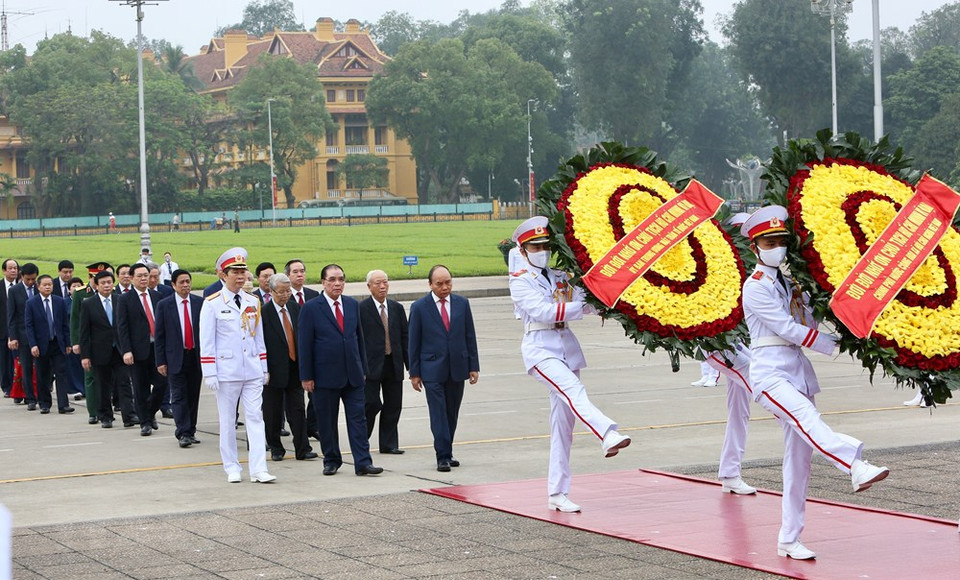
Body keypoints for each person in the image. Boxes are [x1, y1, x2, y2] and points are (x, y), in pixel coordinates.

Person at [740, 205, 890, 560]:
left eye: (781, 240)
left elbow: (812, 314)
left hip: (797, 372)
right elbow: (788, 329)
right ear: (755, 247)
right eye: (770, 241)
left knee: (798, 463)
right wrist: (833, 345)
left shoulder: (792, 283)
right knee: (808, 420)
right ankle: (854, 465)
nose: (777, 246)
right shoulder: (755, 287)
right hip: (770, 374)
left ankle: (789, 538)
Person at [508, 217, 631, 512]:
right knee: (573, 390)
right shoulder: (520, 281)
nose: (542, 250)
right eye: (534, 246)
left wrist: (605, 297)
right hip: (540, 349)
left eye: (545, 245)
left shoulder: (560, 276)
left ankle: (557, 493)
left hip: (565, 348)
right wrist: (582, 306)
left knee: (563, 426)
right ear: (522, 251)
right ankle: (607, 433)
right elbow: (543, 311)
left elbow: (584, 301)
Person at [298, 263, 383, 476]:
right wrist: (306, 376)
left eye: (341, 279)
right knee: (327, 421)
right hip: (324, 377)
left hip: (353, 375)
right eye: (332, 280)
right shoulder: (311, 308)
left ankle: (363, 462)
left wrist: (362, 367)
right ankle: (331, 459)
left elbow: (359, 338)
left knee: (358, 420)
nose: (337, 284)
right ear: (323, 283)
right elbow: (304, 345)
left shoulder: (352, 305)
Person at [199, 247, 275, 484]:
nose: (241, 276)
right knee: (228, 420)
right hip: (227, 371)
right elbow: (207, 341)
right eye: (235, 271)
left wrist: (263, 366)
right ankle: (231, 466)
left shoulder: (253, 300)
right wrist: (210, 372)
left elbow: (258, 336)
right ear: (223, 274)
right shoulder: (212, 303)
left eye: (243, 271)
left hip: (251, 369)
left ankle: (258, 468)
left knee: (255, 417)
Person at [408, 265, 480, 472]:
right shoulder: (420, 307)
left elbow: (469, 336)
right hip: (432, 369)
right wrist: (415, 373)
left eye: (448, 282)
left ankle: (447, 451)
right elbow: (413, 342)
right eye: (439, 283)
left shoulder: (462, 304)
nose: (444, 287)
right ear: (430, 284)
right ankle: (442, 456)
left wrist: (473, 366)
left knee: (451, 413)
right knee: (438, 413)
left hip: (458, 366)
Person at [261, 273, 315, 461]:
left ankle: (303, 448)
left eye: (288, 291)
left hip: (294, 368)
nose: (285, 296)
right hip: (273, 371)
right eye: (281, 292)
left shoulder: (295, 308)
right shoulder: (263, 312)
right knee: (273, 412)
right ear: (271, 291)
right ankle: (276, 447)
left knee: (297, 410)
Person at [80, 270, 138, 429]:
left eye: (109, 282)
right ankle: (105, 416)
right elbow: (84, 332)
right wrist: (85, 356)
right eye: (103, 283)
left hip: (120, 350)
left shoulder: (120, 300)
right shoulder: (88, 303)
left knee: (124, 382)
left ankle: (129, 415)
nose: (106, 286)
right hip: (100, 351)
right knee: (102, 385)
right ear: (97, 286)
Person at [359, 269, 409, 455]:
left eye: (385, 282)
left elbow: (405, 338)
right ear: (369, 286)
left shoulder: (396, 308)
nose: (382, 286)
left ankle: (388, 444)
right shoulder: (361, 309)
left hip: (393, 363)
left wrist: (412, 367)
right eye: (378, 283)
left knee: (394, 404)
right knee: (371, 403)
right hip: (371, 366)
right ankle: (362, 441)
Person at [155, 269, 203, 448]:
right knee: (179, 395)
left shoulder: (200, 303)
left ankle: (191, 430)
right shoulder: (164, 305)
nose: (185, 285)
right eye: (181, 282)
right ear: (173, 285)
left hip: (195, 356)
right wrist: (160, 361)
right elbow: (159, 335)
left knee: (193, 395)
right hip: (175, 356)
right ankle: (182, 432)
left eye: (188, 281)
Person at [117, 263, 165, 436]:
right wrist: (126, 350)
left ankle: (150, 412)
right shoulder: (124, 299)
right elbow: (122, 327)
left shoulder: (157, 296)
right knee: (140, 387)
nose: (144, 279)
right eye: (140, 276)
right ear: (131, 278)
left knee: (162, 384)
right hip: (137, 351)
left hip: (157, 349)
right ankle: (145, 422)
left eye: (146, 275)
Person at [24, 274, 72, 414]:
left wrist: (67, 343)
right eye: (44, 285)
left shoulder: (59, 301)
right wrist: (33, 344)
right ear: (38, 287)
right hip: (41, 344)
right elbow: (29, 326)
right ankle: (44, 403)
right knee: (42, 374)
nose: (47, 287)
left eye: (50, 284)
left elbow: (64, 324)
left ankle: (63, 405)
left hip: (58, 343)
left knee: (61, 373)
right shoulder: (31, 303)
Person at [71, 262, 110, 424]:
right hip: (89, 342)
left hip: (107, 343)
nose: (98, 281)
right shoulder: (81, 294)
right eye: (94, 278)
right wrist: (76, 342)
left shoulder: (112, 292)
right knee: (91, 378)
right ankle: (93, 411)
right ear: (90, 278)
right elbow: (75, 320)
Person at [7, 262, 39, 410]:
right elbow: (11, 316)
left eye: (33, 279)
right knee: (26, 368)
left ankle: (41, 394)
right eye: (28, 279)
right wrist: (13, 337)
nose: (31, 282)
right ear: (22, 276)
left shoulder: (41, 288)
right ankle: (30, 397)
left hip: (40, 335)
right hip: (23, 335)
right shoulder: (14, 291)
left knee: (42, 367)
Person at [0, 258, 19, 399]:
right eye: (10, 268)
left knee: (19, 360)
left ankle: (20, 386)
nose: (13, 271)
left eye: (15, 268)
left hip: (19, 330)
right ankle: (7, 386)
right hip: (2, 330)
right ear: (4, 270)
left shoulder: (23, 286)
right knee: (4, 360)